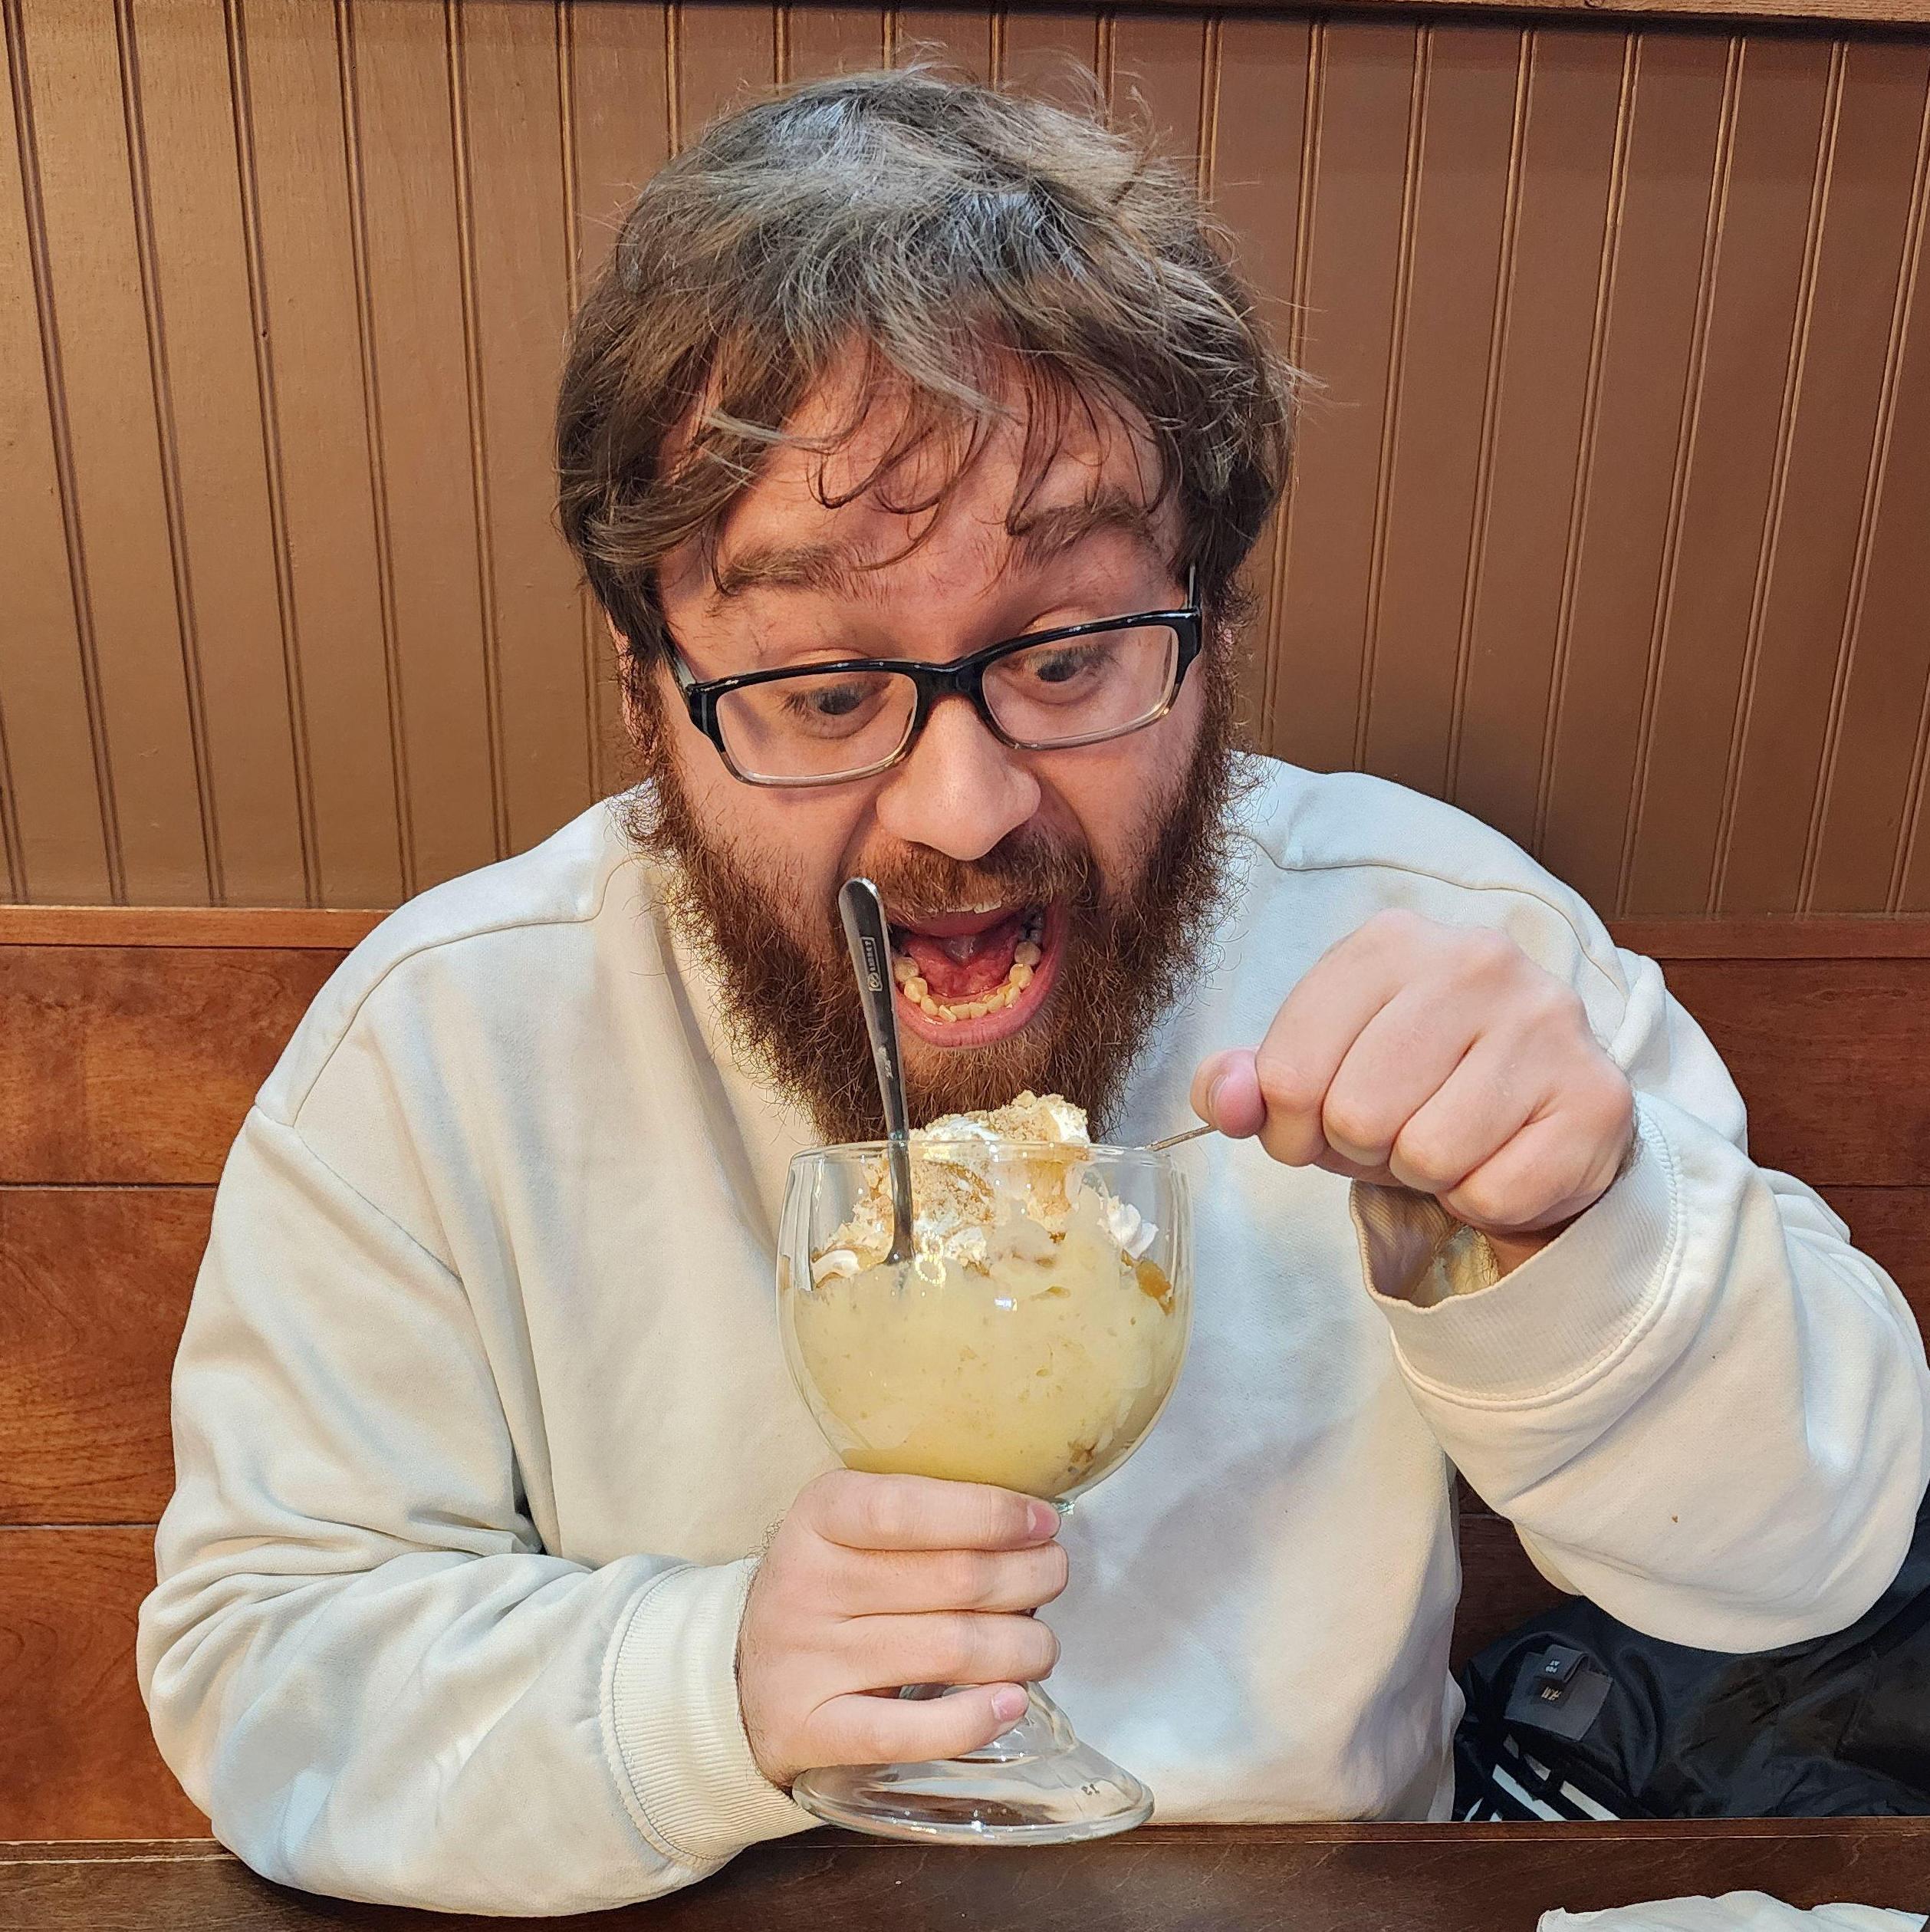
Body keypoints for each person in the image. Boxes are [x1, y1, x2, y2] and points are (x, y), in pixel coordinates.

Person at [137, 69, 1930, 1914]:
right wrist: (707, 1685)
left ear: (1212, 625)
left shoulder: (1425, 933)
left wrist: (1577, 1246)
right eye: (822, 689)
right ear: (643, 686)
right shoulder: (449, 1042)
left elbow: (1809, 1557)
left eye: (1069, 655)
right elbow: (262, 1673)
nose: (962, 805)